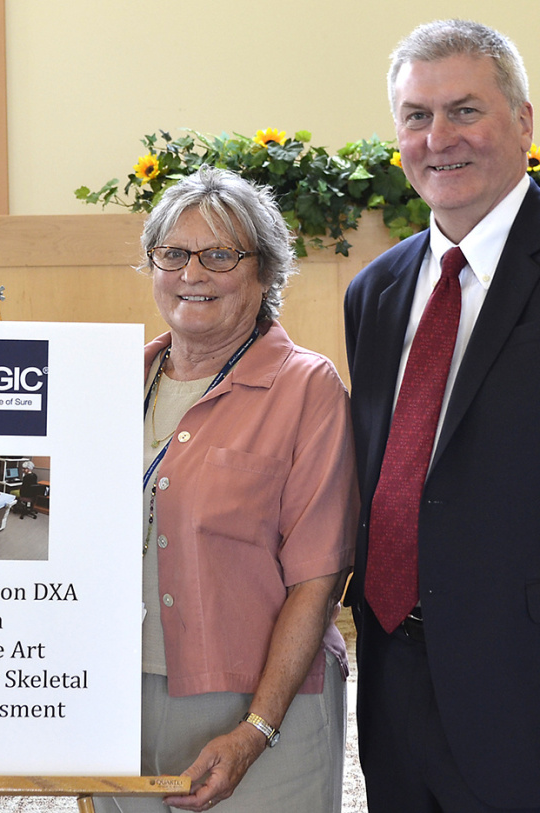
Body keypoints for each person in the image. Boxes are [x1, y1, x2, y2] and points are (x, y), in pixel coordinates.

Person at [344, 19, 540, 812]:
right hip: (394, 673)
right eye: (416, 116)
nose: (438, 137)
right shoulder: (373, 292)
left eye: (464, 110)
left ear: (522, 122)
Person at [96, 166, 358, 813]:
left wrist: (255, 729)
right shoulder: (108, 381)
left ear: (264, 272)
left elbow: (317, 578)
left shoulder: (306, 388)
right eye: (173, 254)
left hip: (261, 706)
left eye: (219, 255)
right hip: (111, 699)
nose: (192, 274)